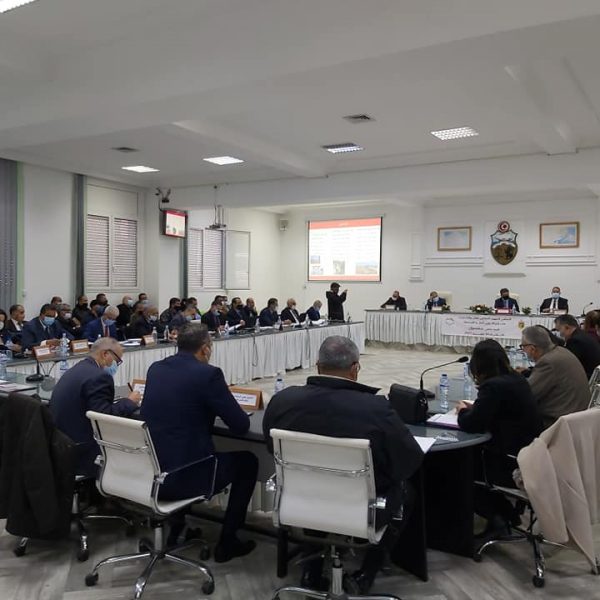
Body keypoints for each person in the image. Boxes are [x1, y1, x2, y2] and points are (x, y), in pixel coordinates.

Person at [263, 336, 423, 593]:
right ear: (355, 368)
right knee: (407, 491)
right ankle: (366, 574)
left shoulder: (282, 401)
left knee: (315, 480)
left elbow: (272, 448)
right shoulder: (376, 408)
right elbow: (408, 460)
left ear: (317, 366)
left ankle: (311, 571)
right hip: (360, 509)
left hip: (301, 503)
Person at [141, 323, 258, 562]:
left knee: (179, 449)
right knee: (248, 462)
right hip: (187, 476)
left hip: (151, 473)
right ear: (205, 348)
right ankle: (228, 542)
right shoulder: (208, 374)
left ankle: (178, 527)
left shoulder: (156, 369)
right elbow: (240, 425)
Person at [455, 340, 542, 537]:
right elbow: (498, 411)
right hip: (529, 454)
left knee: (458, 467)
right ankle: (506, 515)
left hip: (508, 462)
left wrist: (462, 411)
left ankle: (499, 518)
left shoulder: (493, 386)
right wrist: (478, 409)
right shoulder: (516, 379)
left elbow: (472, 424)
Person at [50, 338, 141, 475]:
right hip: (83, 450)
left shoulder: (79, 368)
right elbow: (104, 418)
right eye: (117, 360)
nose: (116, 365)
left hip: (62, 444)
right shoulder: (99, 377)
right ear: (105, 354)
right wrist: (129, 402)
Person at [520, 326, 589, 429]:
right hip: (576, 417)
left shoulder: (547, 362)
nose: (523, 350)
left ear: (532, 348)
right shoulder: (561, 351)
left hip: (556, 422)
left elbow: (528, 394)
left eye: (523, 346)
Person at [554, 314, 600, 379]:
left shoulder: (575, 341)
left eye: (558, 330)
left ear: (567, 327)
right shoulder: (583, 335)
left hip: (585, 377)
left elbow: (567, 363)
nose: (560, 334)